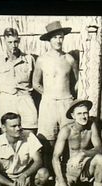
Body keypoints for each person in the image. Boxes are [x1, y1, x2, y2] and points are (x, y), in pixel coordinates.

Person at [33, 21, 79, 169]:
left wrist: (71, 97)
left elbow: (77, 82)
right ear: (49, 40)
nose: (58, 41)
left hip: (66, 103)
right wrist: (47, 95)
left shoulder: (69, 59)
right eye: (54, 38)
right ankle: (49, 177)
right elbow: (35, 83)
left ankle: (68, 175)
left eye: (60, 37)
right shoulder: (42, 60)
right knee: (47, 141)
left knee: (68, 139)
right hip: (48, 103)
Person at [52, 99, 102, 186]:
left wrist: (83, 153)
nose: (83, 116)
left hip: (85, 165)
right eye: (79, 113)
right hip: (70, 169)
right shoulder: (66, 130)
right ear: (73, 115)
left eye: (85, 113)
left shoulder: (91, 126)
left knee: (100, 159)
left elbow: (99, 148)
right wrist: (61, 180)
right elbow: (55, 157)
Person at [0, 27, 38, 134]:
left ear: (19, 41)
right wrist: (2, 99)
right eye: (9, 42)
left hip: (25, 98)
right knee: (7, 133)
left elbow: (34, 81)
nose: (13, 45)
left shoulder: (29, 59)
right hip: (6, 99)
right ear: (4, 41)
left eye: (15, 42)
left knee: (30, 131)